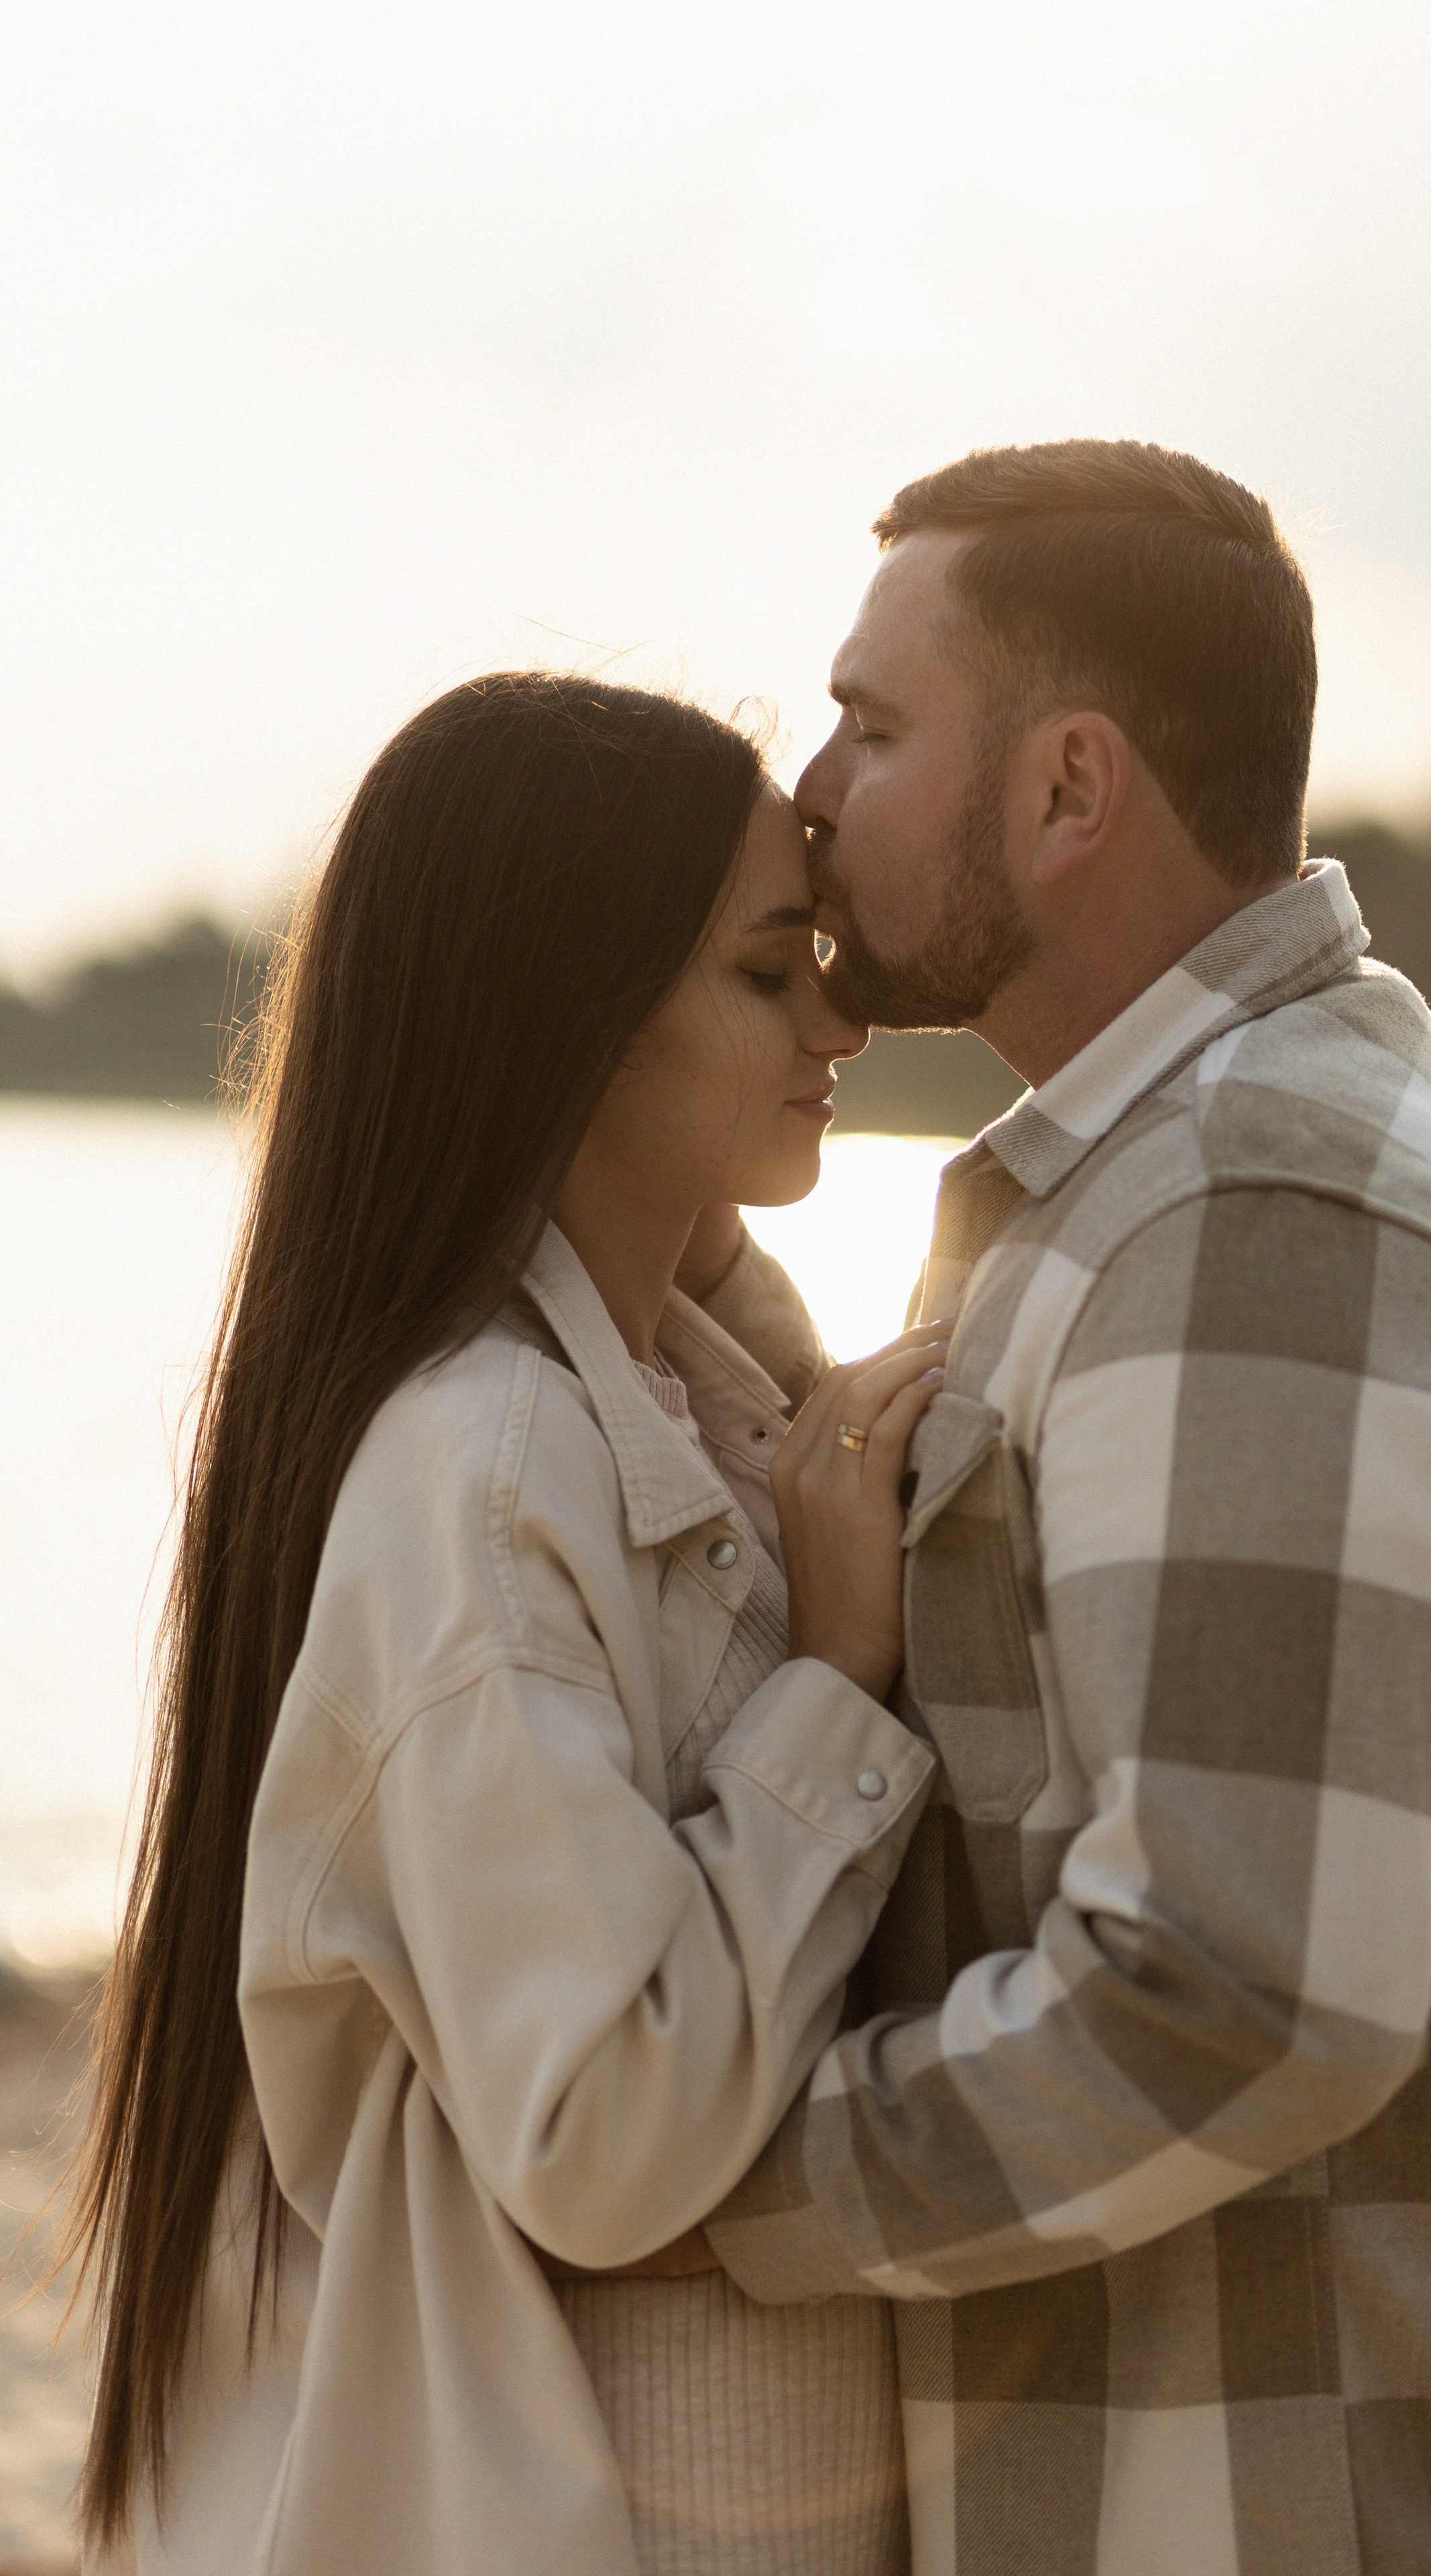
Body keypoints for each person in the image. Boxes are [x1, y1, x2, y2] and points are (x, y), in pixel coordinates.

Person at [699, 441, 1431, 2574]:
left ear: (1070, 792)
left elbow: (1231, 1984)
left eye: (875, 729)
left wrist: (722, 2184)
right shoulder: (1172, 1169)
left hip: (1295, 2509)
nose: (811, 794)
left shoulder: (1260, 1203)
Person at [68, 673, 950, 2576]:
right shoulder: (480, 1467)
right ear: (580, 1021)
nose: (843, 1019)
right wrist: (833, 1684)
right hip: (605, 2506)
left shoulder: (635, 1409)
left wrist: (734, 1298)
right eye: (770, 969)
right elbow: (606, 2122)